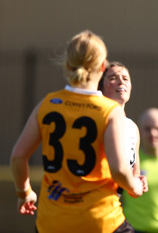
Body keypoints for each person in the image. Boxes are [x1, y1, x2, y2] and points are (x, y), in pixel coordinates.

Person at [10, 30, 146, 233]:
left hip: (52, 221)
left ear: (67, 65)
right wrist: (134, 187)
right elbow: (119, 171)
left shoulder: (47, 104)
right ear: (102, 67)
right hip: (99, 220)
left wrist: (25, 192)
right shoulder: (110, 112)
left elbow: (18, 157)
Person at [99, 62, 143, 185]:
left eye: (125, 78)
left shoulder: (132, 127)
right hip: (93, 198)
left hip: (114, 201)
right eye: (113, 78)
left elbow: (135, 173)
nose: (121, 82)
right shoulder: (98, 119)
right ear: (101, 86)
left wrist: (139, 181)